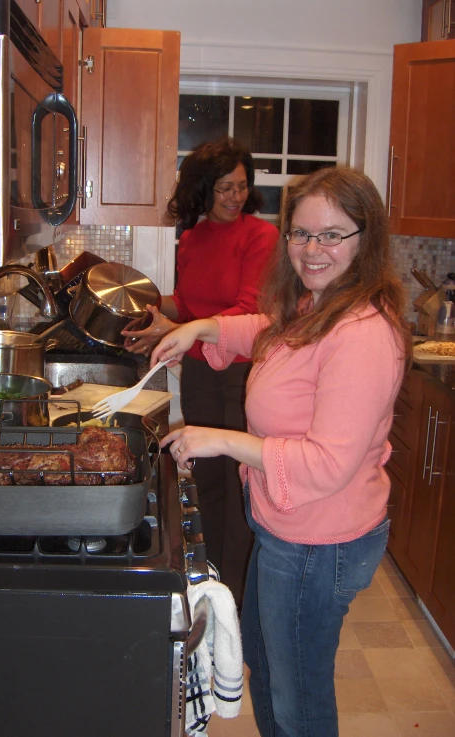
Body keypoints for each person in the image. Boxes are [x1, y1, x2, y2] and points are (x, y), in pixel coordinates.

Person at [150, 166, 412, 737]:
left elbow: (326, 463)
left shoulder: (364, 332)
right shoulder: (319, 305)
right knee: (267, 663)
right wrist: (205, 329)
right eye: (300, 233)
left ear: (365, 240)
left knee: (299, 696)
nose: (311, 249)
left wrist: (221, 441)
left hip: (320, 543)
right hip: (289, 529)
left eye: (331, 234)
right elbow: (267, 330)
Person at [123, 138, 278, 607]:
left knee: (240, 484)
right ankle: (209, 581)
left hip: (242, 374)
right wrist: (144, 306)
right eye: (224, 188)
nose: (234, 196)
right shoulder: (191, 237)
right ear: (202, 191)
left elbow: (249, 308)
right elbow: (188, 304)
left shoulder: (260, 237)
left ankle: (239, 591)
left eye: (241, 187)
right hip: (199, 374)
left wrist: (187, 327)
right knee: (205, 478)